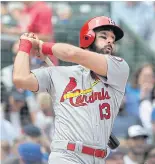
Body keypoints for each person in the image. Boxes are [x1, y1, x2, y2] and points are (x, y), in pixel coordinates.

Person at [12, 16, 130, 164]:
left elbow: (71, 54)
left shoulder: (119, 67)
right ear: (88, 38)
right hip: (66, 155)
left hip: (99, 158)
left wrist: (42, 46)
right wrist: (25, 45)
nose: (110, 41)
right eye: (104, 36)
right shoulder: (59, 73)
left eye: (113, 38)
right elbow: (20, 79)